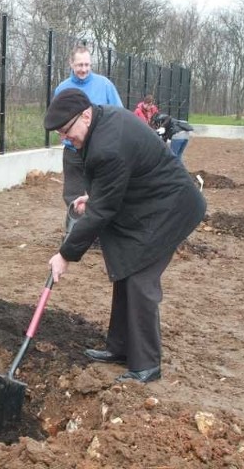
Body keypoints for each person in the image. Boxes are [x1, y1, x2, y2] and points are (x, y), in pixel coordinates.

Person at [45, 89, 206, 383]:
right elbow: (111, 187)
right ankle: (120, 348)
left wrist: (66, 254)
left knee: (140, 279)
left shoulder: (109, 142)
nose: (65, 139)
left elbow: (102, 212)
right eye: (60, 134)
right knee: (124, 269)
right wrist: (92, 197)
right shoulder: (103, 121)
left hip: (171, 208)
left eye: (66, 131)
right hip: (149, 202)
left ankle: (146, 364)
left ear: (85, 115)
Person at [53, 44, 123, 234]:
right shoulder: (62, 89)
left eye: (87, 65)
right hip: (73, 151)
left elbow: (119, 114)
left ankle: (102, 234)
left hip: (100, 150)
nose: (83, 69)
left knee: (100, 192)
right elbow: (56, 118)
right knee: (72, 194)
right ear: (71, 64)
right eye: (79, 65)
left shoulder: (105, 85)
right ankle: (74, 233)